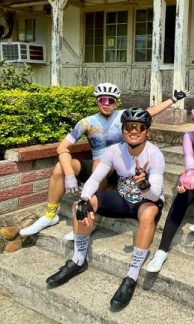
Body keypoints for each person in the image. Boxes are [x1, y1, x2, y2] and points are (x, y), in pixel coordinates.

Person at [20, 83, 186, 237]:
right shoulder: (86, 122)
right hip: (97, 165)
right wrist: (70, 175)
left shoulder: (123, 117)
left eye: (111, 100)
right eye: (103, 100)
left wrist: (173, 99)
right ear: (97, 101)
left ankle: (90, 215)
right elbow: (62, 148)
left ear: (116, 102)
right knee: (60, 167)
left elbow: (150, 112)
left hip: (120, 166)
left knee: (98, 165)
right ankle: (50, 215)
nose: (107, 104)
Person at [46, 107, 165, 311]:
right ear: (123, 130)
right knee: (81, 205)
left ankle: (131, 275)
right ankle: (78, 260)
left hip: (145, 200)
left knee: (148, 214)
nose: (133, 131)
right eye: (128, 127)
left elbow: (155, 195)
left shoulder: (155, 155)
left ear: (147, 131)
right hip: (122, 198)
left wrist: (144, 185)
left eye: (139, 127)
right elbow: (95, 179)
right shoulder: (114, 150)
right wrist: (84, 198)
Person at [146, 103, 194, 273]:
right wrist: (186, 179)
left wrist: (188, 174)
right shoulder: (188, 136)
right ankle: (161, 251)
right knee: (181, 197)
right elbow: (189, 156)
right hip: (193, 178)